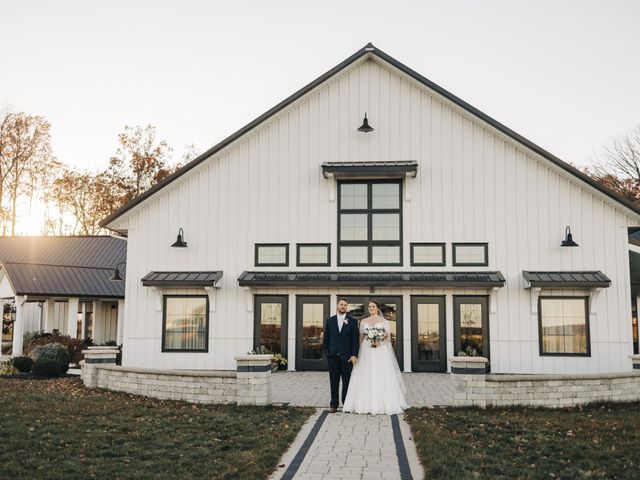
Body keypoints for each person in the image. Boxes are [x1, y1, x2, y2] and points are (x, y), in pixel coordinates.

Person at [343, 299, 408, 415]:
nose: (371, 308)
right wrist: (357, 352)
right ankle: (363, 403)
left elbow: (387, 337)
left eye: (373, 306)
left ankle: (383, 403)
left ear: (377, 308)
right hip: (366, 350)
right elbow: (361, 337)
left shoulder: (383, 321)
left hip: (380, 350)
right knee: (365, 373)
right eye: (369, 307)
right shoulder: (363, 321)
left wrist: (379, 342)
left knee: (381, 374)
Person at [323, 297, 359, 413]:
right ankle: (333, 404)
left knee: (347, 381)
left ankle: (346, 404)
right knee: (333, 381)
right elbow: (326, 339)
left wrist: (354, 355)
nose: (343, 306)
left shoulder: (352, 321)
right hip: (333, 357)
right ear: (337, 306)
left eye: (345, 305)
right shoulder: (330, 321)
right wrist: (327, 353)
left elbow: (355, 340)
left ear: (347, 307)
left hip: (347, 357)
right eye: (341, 304)